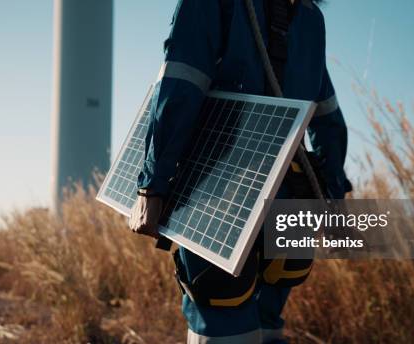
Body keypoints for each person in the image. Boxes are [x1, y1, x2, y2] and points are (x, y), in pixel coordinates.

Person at [129, 0, 351, 342]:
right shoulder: (309, 17)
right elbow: (328, 120)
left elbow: (181, 87)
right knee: (268, 318)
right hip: (293, 193)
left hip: (221, 191)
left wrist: (151, 187)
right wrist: (334, 199)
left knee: (220, 315)